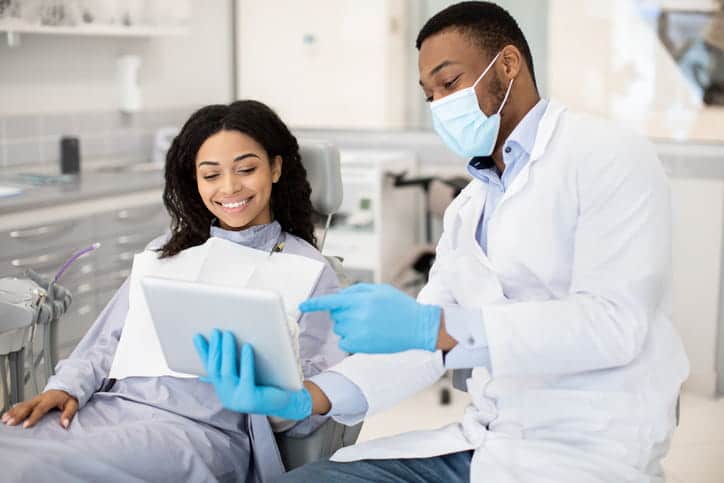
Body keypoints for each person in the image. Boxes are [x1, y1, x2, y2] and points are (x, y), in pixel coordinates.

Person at [197, 3, 689, 482]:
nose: (439, 104)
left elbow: (612, 324)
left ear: (509, 64)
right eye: (429, 94)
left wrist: (436, 327)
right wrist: (309, 398)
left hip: (589, 450)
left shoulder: (606, 155)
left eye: (449, 82)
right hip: (485, 444)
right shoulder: (469, 207)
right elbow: (422, 350)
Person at [0, 100, 346, 482]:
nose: (229, 187)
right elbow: (107, 341)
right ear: (194, 181)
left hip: (197, 433)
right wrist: (65, 388)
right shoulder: (166, 250)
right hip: (108, 411)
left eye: (246, 169)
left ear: (276, 168)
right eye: (211, 175)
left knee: (36, 471)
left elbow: (308, 406)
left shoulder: (309, 270)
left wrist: (270, 383)